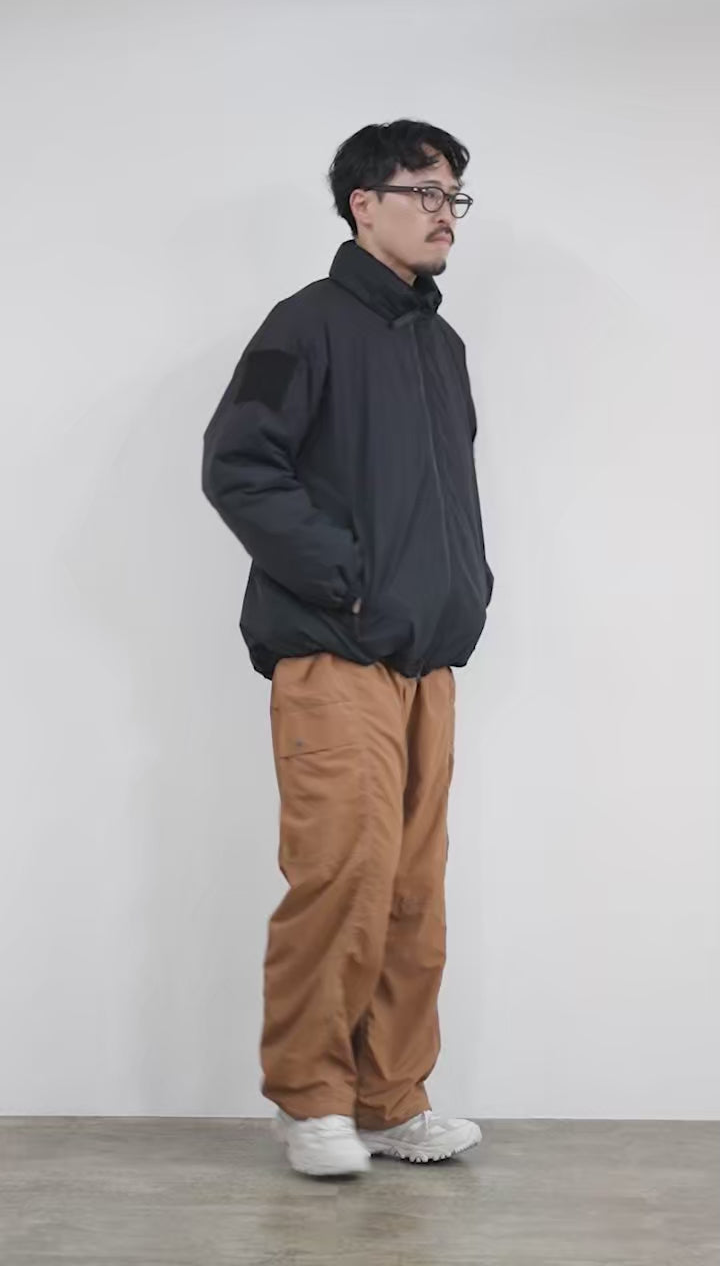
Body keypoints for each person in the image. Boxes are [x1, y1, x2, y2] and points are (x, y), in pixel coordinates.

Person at [201, 119, 494, 1178]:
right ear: (363, 204)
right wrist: (351, 579)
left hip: (427, 661)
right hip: (335, 651)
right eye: (425, 191)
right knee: (343, 873)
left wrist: (464, 591)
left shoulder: (441, 347)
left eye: (455, 196)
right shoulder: (306, 325)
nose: (445, 213)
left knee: (413, 889)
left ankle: (389, 1097)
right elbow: (239, 465)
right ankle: (312, 1098)